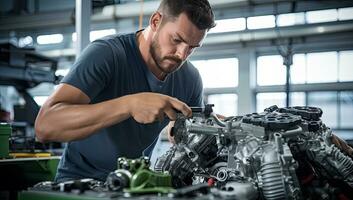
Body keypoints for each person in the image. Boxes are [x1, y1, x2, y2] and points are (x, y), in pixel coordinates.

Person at [35, 0, 215, 182]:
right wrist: (129, 105)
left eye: (192, 48)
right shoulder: (107, 54)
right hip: (79, 184)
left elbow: (190, 134)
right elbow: (45, 126)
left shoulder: (190, 78)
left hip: (137, 185)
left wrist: (199, 130)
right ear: (155, 21)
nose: (181, 55)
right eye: (176, 40)